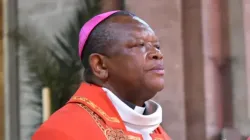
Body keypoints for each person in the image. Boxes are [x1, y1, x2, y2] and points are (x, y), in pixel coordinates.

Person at [32, 10, 170, 140]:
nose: (157, 54)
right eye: (139, 45)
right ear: (100, 65)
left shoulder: (158, 134)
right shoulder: (62, 132)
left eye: (157, 46)